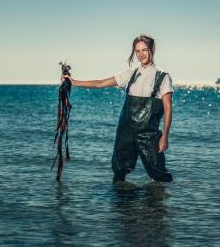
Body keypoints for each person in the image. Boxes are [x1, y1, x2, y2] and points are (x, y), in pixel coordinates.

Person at [62, 34, 173, 183]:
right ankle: (122, 204)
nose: (141, 54)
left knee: (159, 174)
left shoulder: (163, 77)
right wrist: (73, 82)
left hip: (149, 135)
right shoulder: (131, 74)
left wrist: (164, 137)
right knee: (119, 172)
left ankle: (163, 204)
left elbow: (167, 108)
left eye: (144, 50)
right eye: (137, 51)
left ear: (153, 49)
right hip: (125, 132)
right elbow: (100, 83)